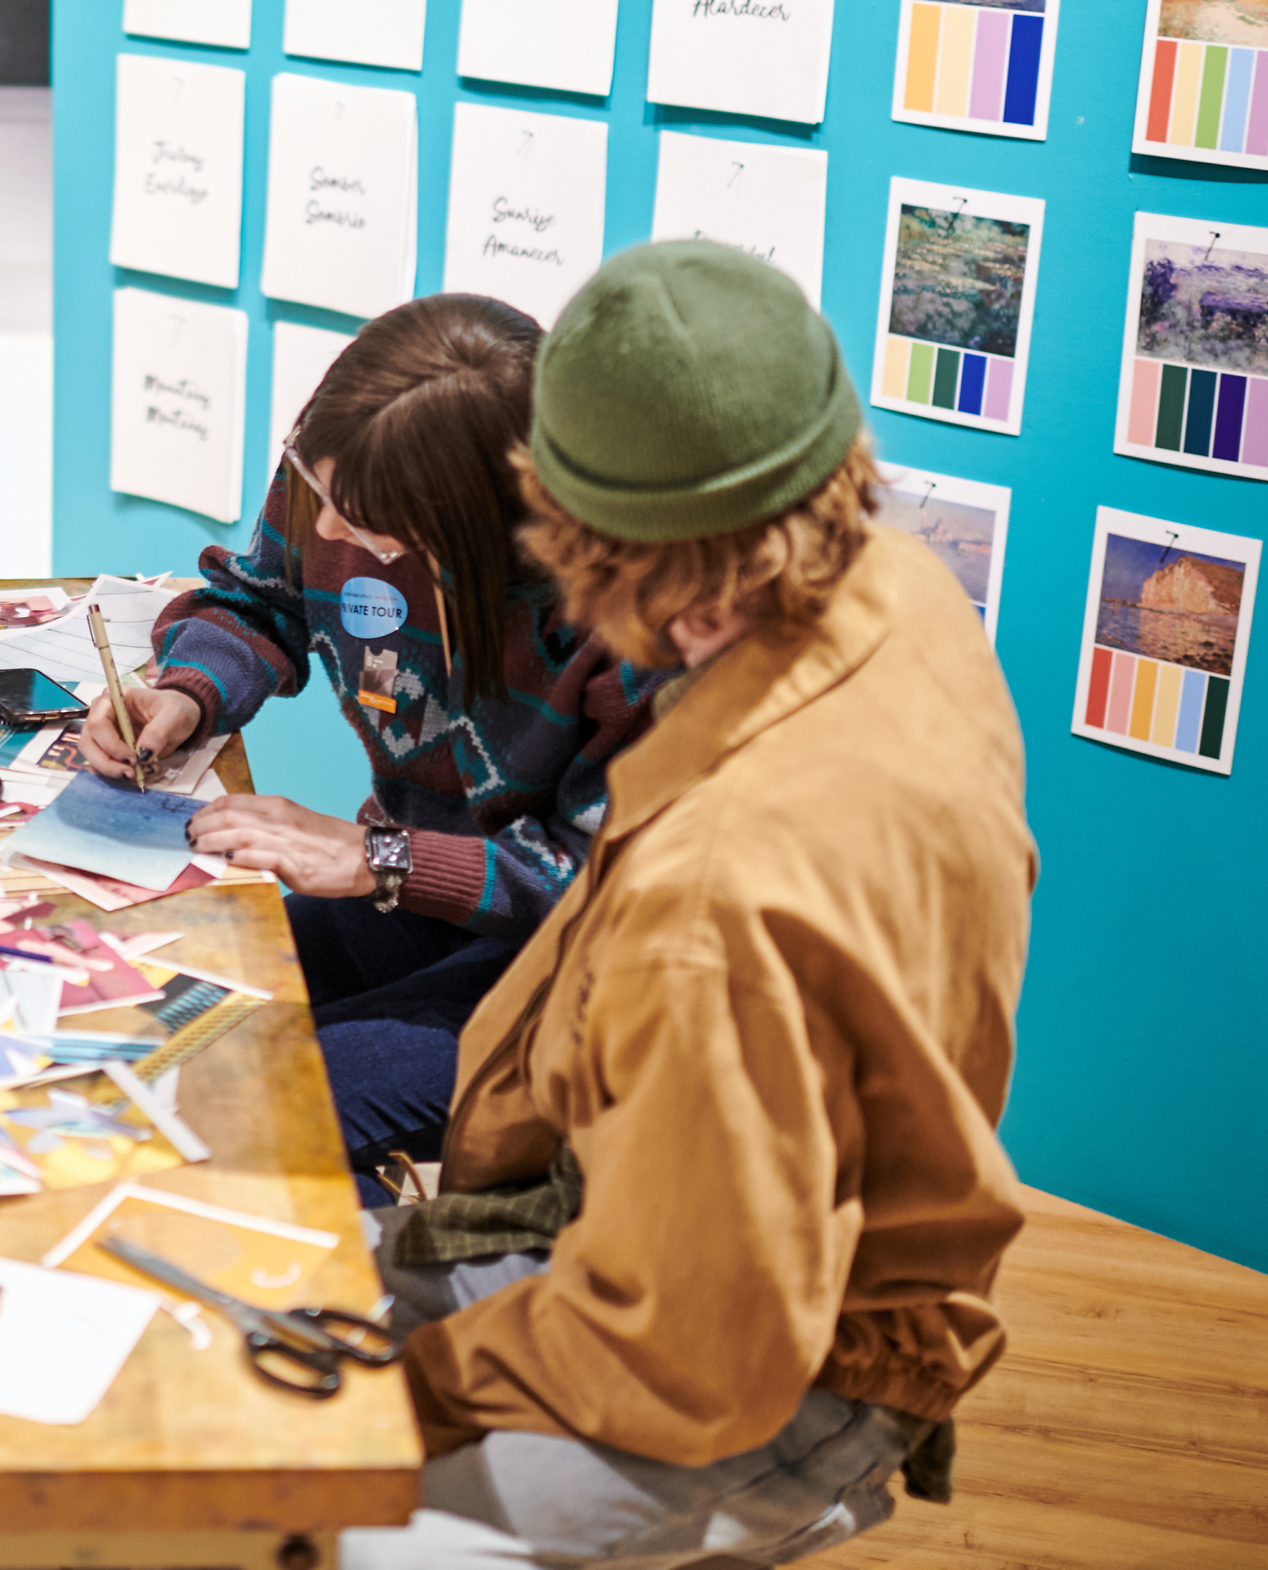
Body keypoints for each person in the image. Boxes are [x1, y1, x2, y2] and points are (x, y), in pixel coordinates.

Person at [344, 242, 1036, 1570]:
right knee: (262, 1291)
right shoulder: (895, 587)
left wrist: (405, 1398)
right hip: (641, 1224)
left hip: (775, 1369)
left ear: (579, 538)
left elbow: (688, 1349)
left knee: (338, 1531)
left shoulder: (721, 895)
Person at [80, 293, 663, 1206]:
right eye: (321, 496)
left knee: (253, 1109)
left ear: (477, 520)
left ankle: (368, 1281)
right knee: (147, 1026)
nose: (327, 533)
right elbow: (264, 600)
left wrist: (379, 859)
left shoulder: (623, 616)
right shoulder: (346, 472)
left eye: (365, 523)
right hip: (415, 897)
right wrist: (189, 693)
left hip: (573, 969)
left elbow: (605, 883)